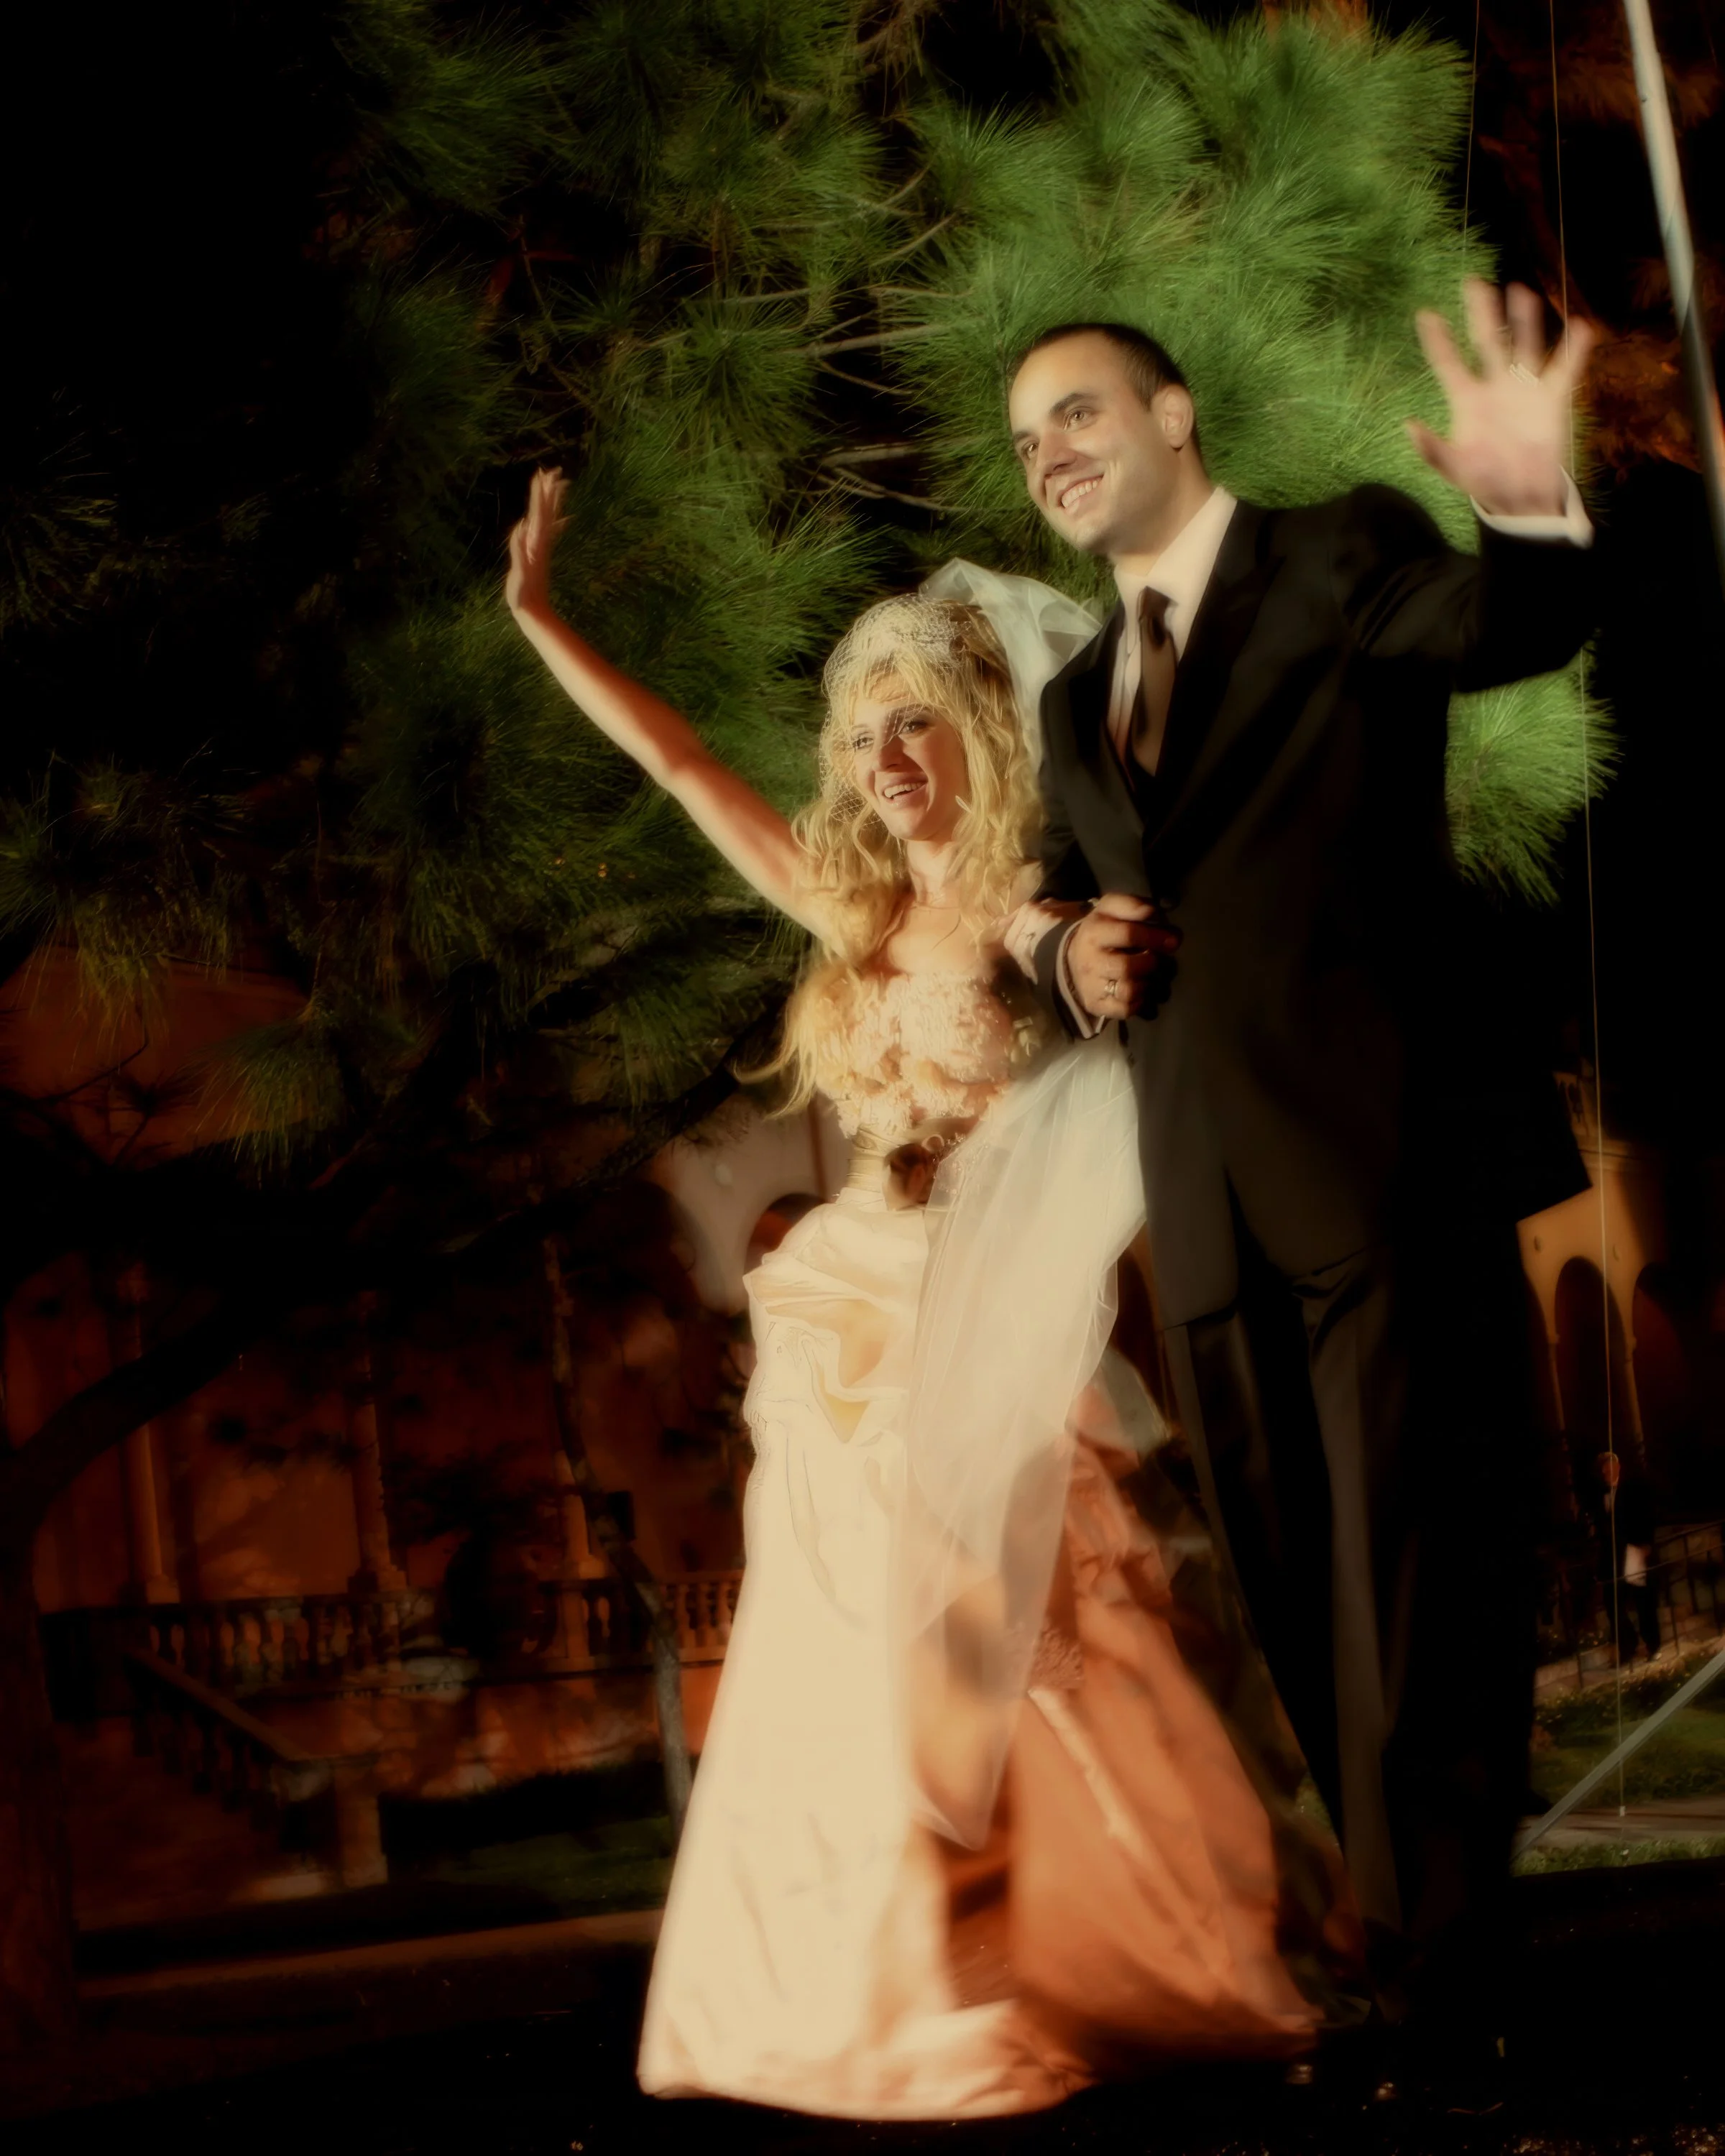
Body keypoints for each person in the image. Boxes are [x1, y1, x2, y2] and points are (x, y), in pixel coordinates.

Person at [504, 487, 1361, 2119]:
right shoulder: (860, 916)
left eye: (916, 722)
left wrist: (1094, 950)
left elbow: (1095, 969)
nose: (885, 757)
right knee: (841, 1650)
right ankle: (865, 1980)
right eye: (860, 734)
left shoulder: (1028, 907)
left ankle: (1104, 1953)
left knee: (1029, 1645)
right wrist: (547, 623)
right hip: (849, 1320)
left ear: (978, 730)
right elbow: (684, 768)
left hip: (988, 1314)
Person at [1004, 280, 1597, 2067]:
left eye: (1082, 415)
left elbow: (1509, 625)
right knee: (1290, 1577)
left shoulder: (1340, 555)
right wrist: (1061, 956)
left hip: (1379, 1158)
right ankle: (1397, 1910)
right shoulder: (1077, 696)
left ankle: (1444, 1958)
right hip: (1202, 1208)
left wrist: (1527, 506)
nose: (1053, 457)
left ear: (1177, 417)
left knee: (1418, 1574)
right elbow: (1048, 888)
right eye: (1028, 441)